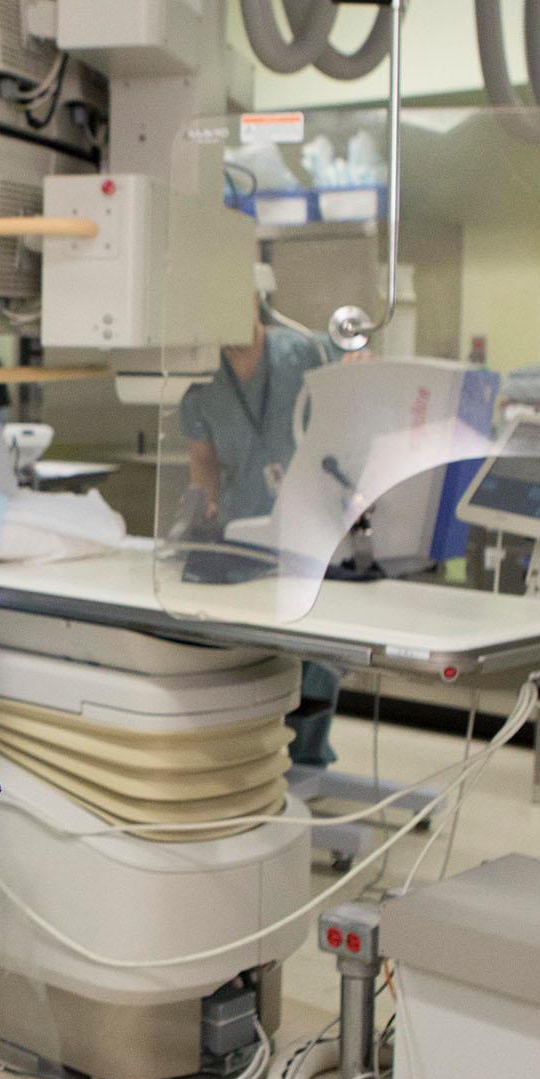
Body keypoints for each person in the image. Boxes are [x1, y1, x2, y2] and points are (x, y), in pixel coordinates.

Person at [177, 301, 345, 767]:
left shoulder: (306, 351)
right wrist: (201, 505)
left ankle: (307, 759)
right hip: (246, 527)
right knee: (260, 648)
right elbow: (202, 460)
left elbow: (354, 388)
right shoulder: (201, 379)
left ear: (251, 300)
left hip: (315, 524)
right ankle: (260, 761)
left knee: (314, 649)